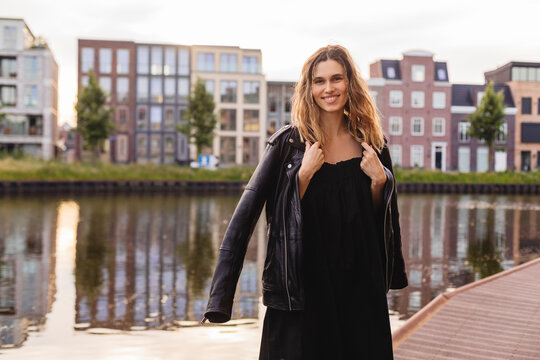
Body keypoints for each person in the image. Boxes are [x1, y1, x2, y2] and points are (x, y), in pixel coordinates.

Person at [203, 45, 408, 360]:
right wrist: (301, 178)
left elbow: (380, 219)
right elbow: (243, 220)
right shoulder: (287, 145)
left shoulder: (372, 143)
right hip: (303, 289)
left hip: (360, 289)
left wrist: (381, 182)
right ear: (309, 89)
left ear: (350, 83)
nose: (328, 89)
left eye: (336, 79)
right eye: (319, 81)